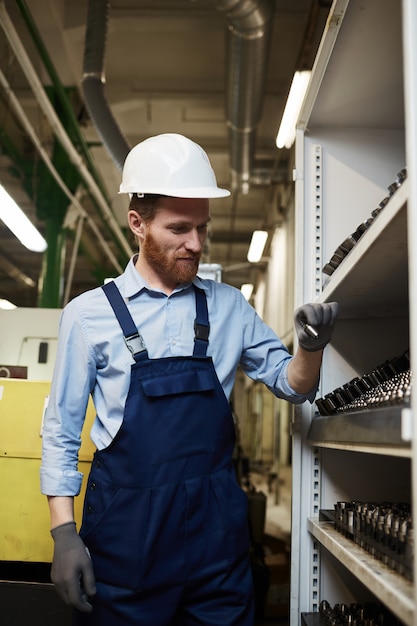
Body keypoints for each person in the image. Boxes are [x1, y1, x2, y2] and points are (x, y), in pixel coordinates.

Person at [40, 132, 338, 626]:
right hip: (125, 548)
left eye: (203, 227)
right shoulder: (88, 316)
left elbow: (293, 385)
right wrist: (64, 533)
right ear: (138, 223)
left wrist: (310, 347)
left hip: (216, 549)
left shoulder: (228, 308)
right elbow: (61, 433)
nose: (196, 243)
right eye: (179, 228)